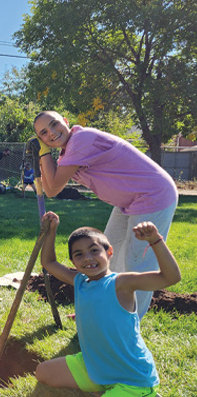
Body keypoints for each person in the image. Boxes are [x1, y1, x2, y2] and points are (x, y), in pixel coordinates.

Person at [37, 211, 181, 397]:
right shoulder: (79, 281)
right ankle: (105, 392)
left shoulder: (122, 283)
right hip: (96, 365)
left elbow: (171, 277)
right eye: (79, 254)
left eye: (94, 250)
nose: (88, 258)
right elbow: (49, 263)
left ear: (109, 252)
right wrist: (51, 231)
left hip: (131, 378)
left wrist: (155, 240)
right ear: (73, 262)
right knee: (43, 373)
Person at [33, 111, 178, 319]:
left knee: (138, 263)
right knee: (109, 255)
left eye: (54, 124)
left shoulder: (81, 139)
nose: (52, 133)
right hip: (128, 201)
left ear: (66, 121)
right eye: (44, 133)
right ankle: (101, 311)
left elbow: (54, 186)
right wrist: (44, 154)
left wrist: (44, 153)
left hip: (152, 195)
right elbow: (49, 190)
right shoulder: (67, 153)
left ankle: (127, 324)